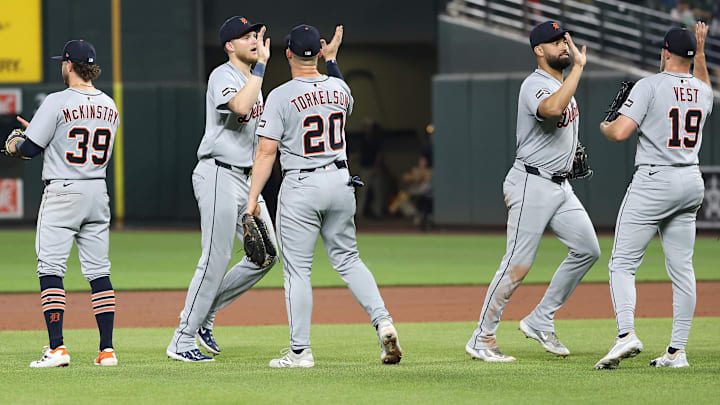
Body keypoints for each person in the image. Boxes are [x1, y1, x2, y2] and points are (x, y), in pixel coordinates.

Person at [246, 24, 403, 368]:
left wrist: (252, 198)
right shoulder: (341, 89)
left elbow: (266, 153)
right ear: (318, 51)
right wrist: (332, 61)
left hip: (302, 186)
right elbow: (339, 93)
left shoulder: (281, 95)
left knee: (298, 272)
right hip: (341, 182)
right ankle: (383, 321)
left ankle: (300, 352)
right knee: (349, 260)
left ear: (287, 53)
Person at [465, 21, 601, 362]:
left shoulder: (560, 83)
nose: (564, 47)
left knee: (587, 249)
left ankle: (541, 318)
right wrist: (579, 70)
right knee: (518, 264)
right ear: (539, 50)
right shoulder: (534, 85)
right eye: (555, 42)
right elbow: (552, 110)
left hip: (559, 184)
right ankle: (482, 337)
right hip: (531, 183)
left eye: (565, 40)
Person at [595, 23, 712, 370]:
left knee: (622, 264)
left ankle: (626, 334)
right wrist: (701, 52)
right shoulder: (705, 92)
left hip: (655, 180)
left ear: (664, 52)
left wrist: (606, 122)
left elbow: (619, 133)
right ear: (691, 56)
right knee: (682, 269)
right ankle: (677, 352)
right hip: (691, 181)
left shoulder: (650, 85)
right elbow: (701, 83)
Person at [166, 16, 278, 362]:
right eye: (245, 37)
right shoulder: (223, 76)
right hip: (217, 172)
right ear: (230, 46)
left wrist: (254, 192)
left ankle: (204, 316)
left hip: (246, 179)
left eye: (255, 35)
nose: (254, 41)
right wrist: (260, 70)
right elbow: (241, 107)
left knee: (266, 255)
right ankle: (182, 339)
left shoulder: (254, 78)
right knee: (215, 259)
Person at [4, 40, 120, 367]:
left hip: (63, 191)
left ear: (69, 65)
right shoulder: (111, 105)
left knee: (50, 269)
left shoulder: (57, 101)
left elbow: (29, 149)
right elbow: (72, 136)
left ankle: (57, 349)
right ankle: (107, 350)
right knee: (99, 271)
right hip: (98, 191)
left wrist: (15, 145)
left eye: (63, 62)